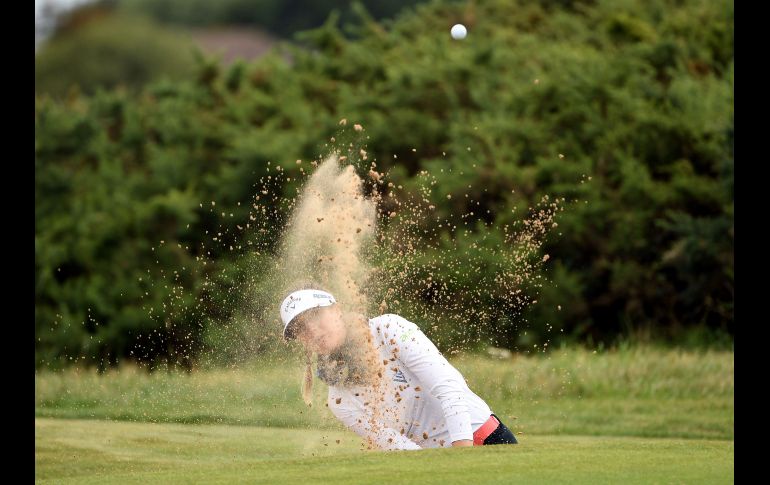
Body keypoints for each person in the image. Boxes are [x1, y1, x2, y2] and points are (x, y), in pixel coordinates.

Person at [279, 284, 518, 450]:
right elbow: (398, 447)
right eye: (300, 329)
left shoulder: (388, 330)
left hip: (485, 440)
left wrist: (461, 459)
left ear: (337, 309)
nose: (312, 331)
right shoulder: (339, 400)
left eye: (315, 317)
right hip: (439, 464)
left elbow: (450, 388)